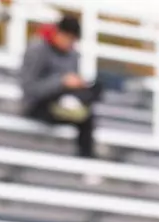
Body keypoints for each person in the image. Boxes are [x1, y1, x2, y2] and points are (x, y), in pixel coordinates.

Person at [20, 13, 102, 159]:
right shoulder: (37, 49)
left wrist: (77, 84)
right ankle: (87, 161)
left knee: (92, 99)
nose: (70, 44)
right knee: (85, 118)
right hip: (38, 105)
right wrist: (61, 81)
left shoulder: (72, 55)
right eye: (68, 39)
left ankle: (87, 159)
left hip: (63, 100)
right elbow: (29, 88)